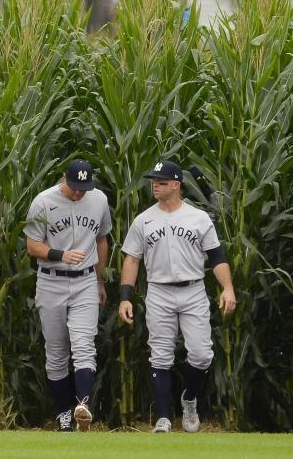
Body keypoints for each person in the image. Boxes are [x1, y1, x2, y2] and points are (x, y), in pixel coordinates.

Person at [118, 160, 237, 433]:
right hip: (159, 291)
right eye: (153, 181)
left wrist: (227, 288)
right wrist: (125, 297)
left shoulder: (198, 217)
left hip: (193, 289)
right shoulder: (144, 220)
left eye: (160, 182)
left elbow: (216, 257)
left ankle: (190, 399)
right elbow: (132, 260)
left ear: (176, 184)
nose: (154, 186)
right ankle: (163, 418)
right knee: (160, 356)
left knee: (202, 355)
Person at [24, 159, 111, 431]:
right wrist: (61, 255)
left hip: (85, 280)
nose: (78, 193)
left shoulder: (98, 200)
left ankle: (82, 406)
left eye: (83, 188)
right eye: (74, 187)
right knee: (57, 352)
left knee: (84, 344)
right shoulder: (43, 201)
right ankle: (63, 414)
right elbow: (32, 245)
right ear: (64, 179)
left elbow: (102, 239)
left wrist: (99, 280)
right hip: (51, 281)